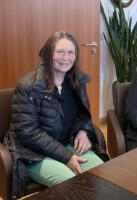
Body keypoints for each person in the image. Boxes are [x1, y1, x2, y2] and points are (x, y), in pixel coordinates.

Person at [3, 31, 107, 198]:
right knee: (74, 187)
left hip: (68, 143)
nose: (66, 57)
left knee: (104, 177)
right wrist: (66, 156)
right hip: (33, 153)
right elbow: (27, 133)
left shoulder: (77, 81)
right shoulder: (28, 85)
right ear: (48, 54)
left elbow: (83, 114)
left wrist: (83, 131)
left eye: (70, 52)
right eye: (60, 52)